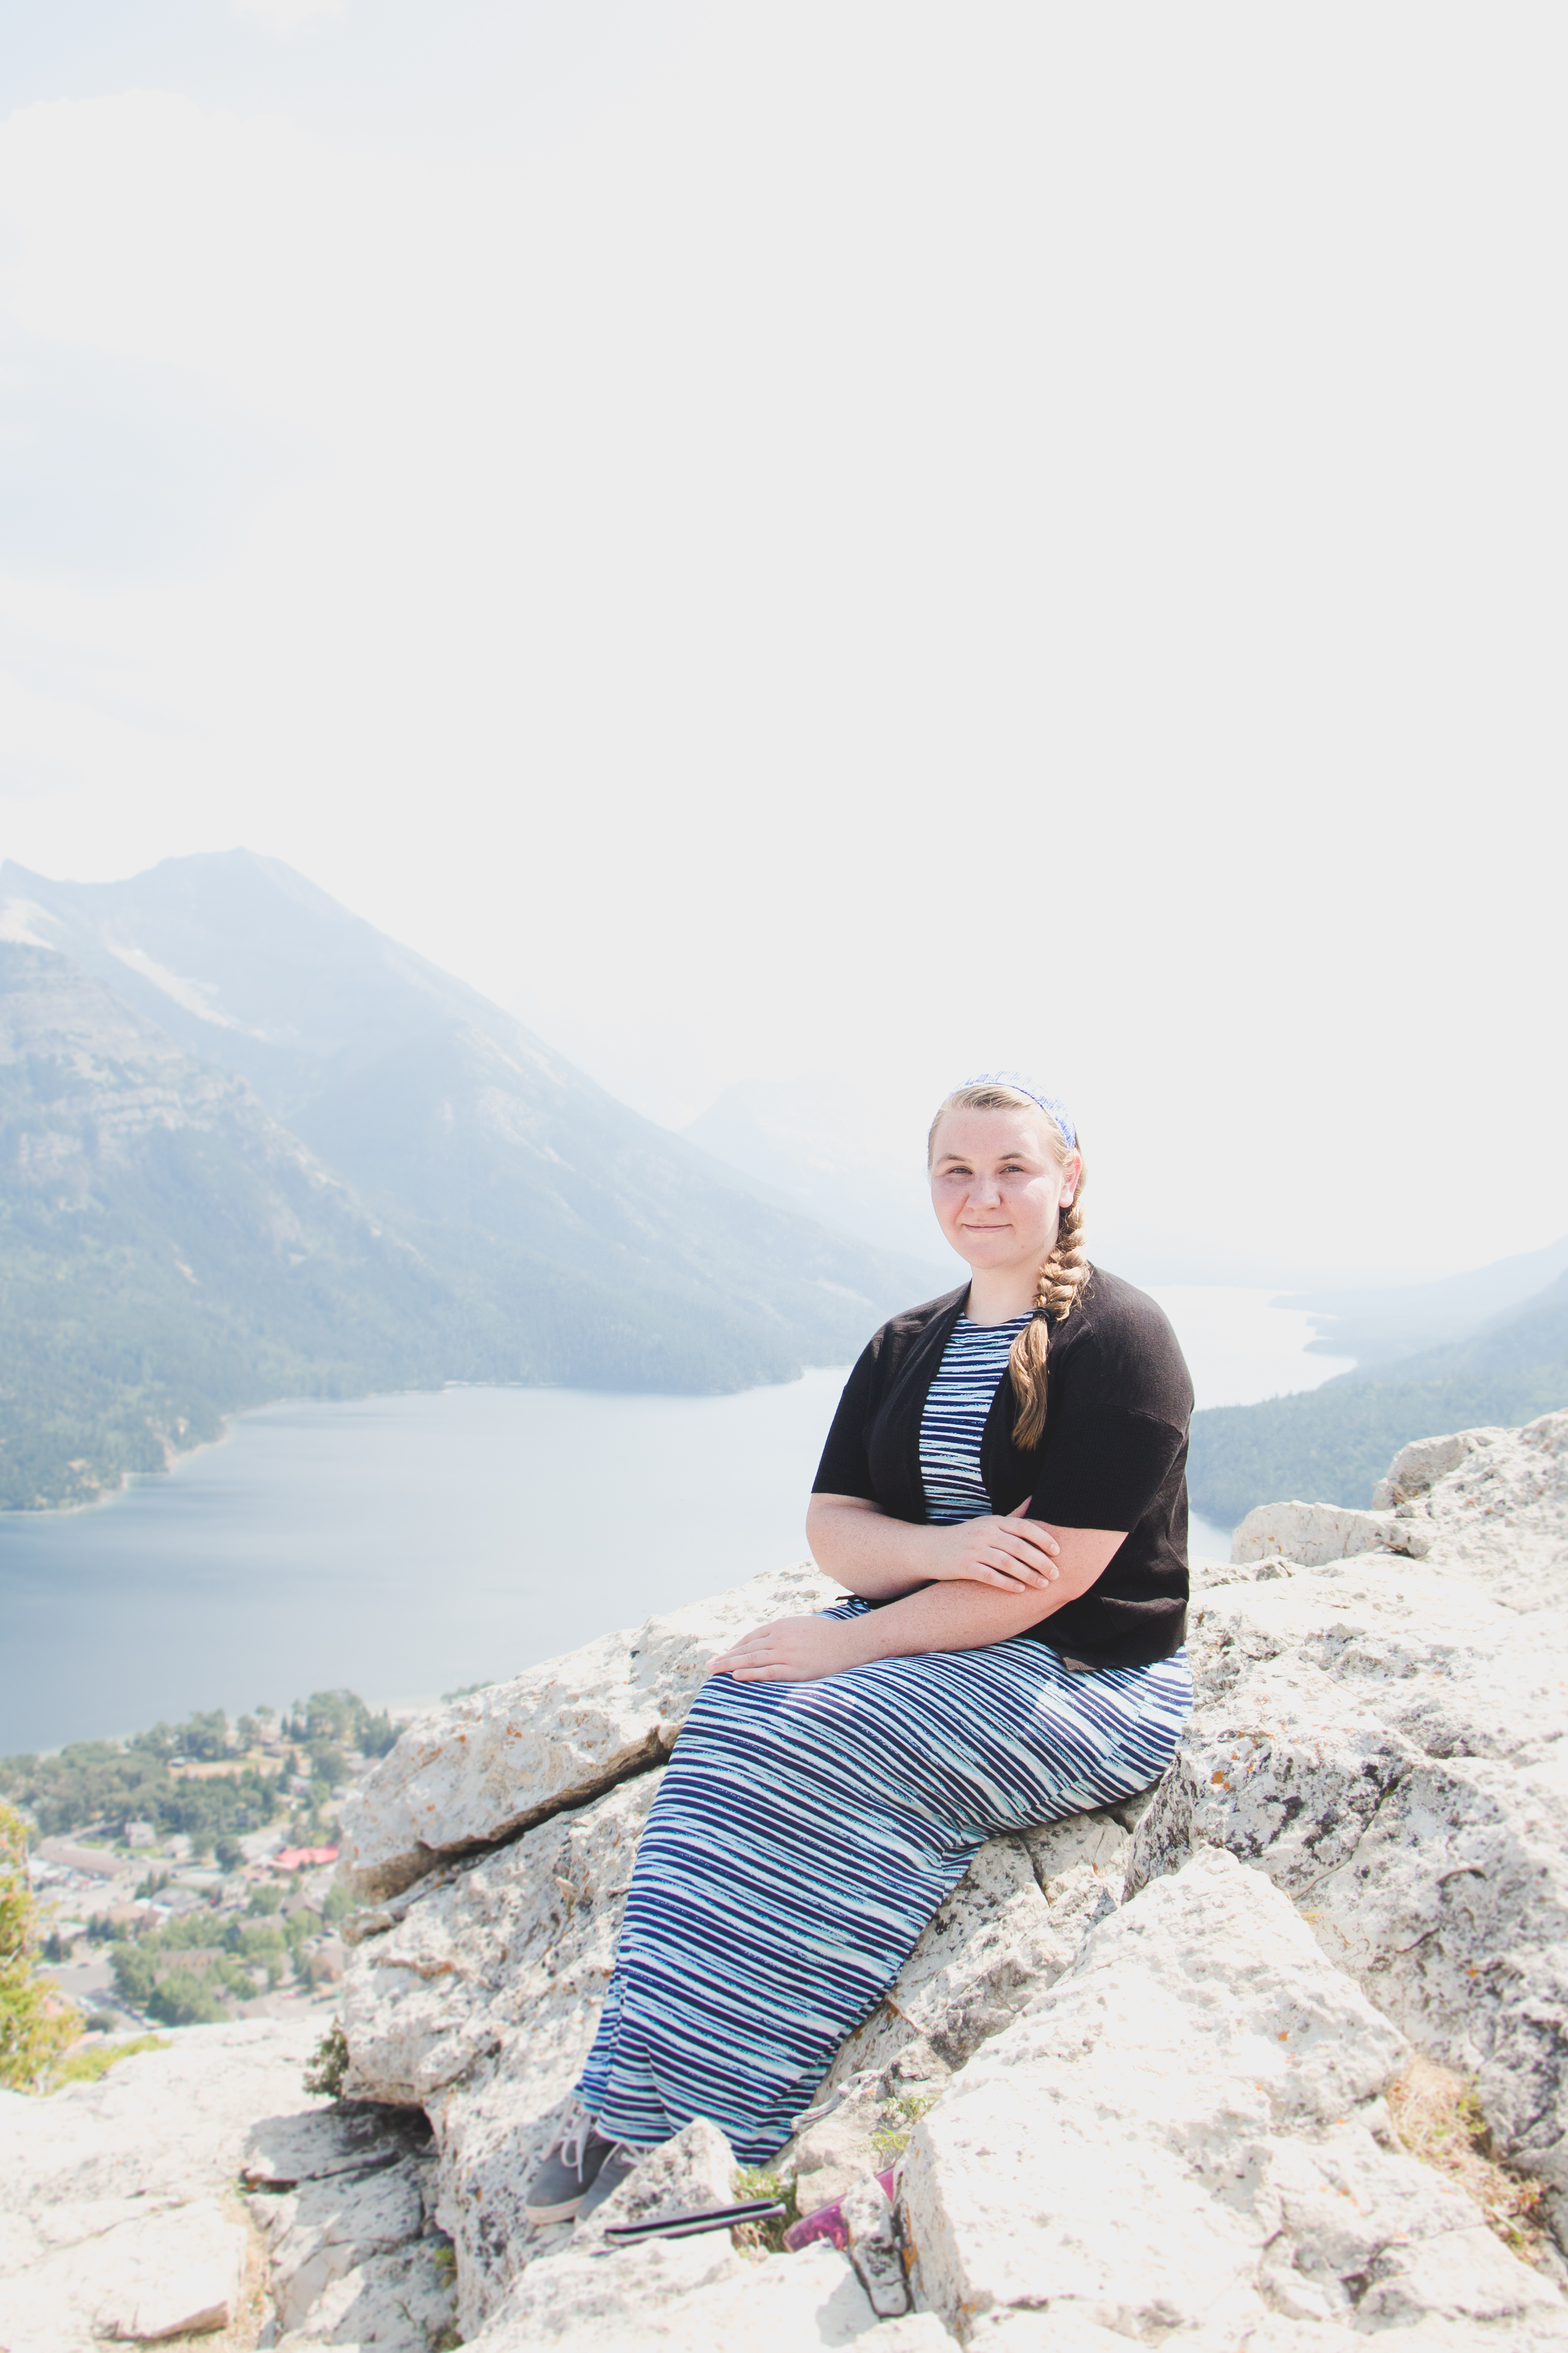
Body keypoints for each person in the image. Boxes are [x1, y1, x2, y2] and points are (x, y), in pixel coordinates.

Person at [525, 1074, 1195, 2225]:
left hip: (1086, 1677)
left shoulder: (1121, 1342)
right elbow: (834, 1527)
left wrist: (856, 1644)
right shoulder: (907, 1342)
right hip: (942, 1642)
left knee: (819, 1734)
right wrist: (941, 1551)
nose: (982, 1195)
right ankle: (627, 2087)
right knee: (731, 1712)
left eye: (1012, 1169)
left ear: (1067, 1179)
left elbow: (1049, 1583)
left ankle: (723, 2133)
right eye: (956, 1171)